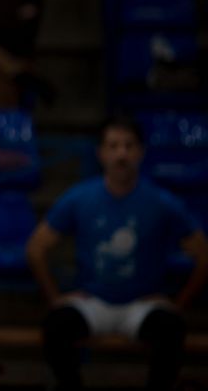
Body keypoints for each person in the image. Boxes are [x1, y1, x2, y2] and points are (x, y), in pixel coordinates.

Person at [26, 116, 208, 391]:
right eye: (113, 146)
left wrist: (179, 303)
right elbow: (36, 248)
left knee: (171, 327)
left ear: (141, 152)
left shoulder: (162, 202)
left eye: (128, 146)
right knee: (56, 326)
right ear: (101, 153)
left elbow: (203, 255)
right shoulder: (79, 197)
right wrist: (55, 297)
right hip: (93, 302)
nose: (121, 153)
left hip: (142, 305)